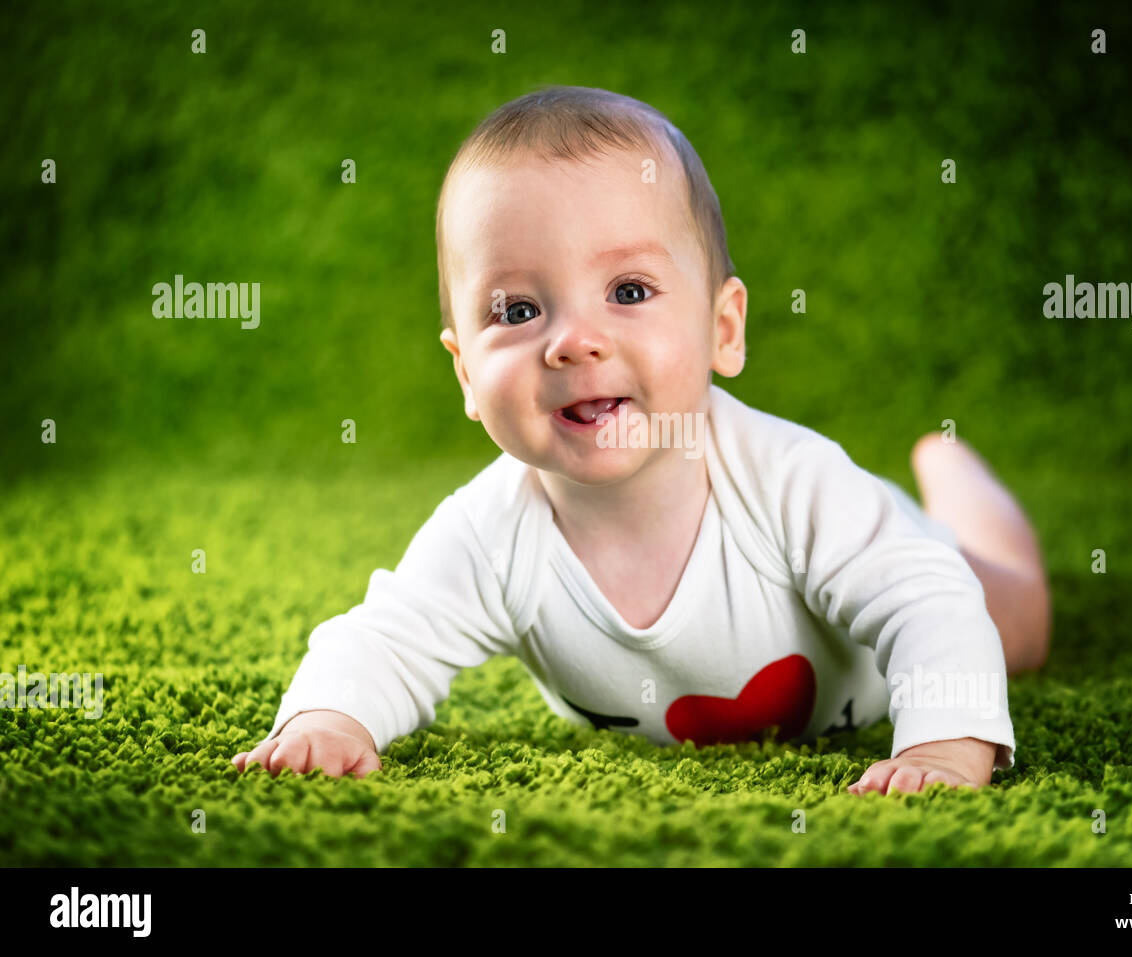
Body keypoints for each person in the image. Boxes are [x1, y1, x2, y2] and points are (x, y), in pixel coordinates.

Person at [232, 86, 1050, 795]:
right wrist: (329, 719)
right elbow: (387, 635)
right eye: (517, 310)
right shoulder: (491, 531)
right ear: (466, 378)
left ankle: (954, 476)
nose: (574, 342)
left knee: (1011, 615)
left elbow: (927, 598)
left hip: (914, 558)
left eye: (628, 290)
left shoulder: (787, 481)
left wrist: (941, 744)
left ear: (723, 328)